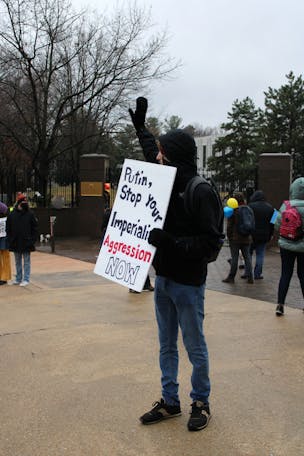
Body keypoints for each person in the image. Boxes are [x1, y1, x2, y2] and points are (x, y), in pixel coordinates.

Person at [129, 97, 223, 431]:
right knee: (166, 346)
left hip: (188, 284)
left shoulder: (200, 191)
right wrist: (141, 127)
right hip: (164, 280)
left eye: (162, 153)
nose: (157, 157)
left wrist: (173, 243)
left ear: (175, 158)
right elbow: (147, 152)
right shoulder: (162, 178)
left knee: (194, 347)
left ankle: (201, 402)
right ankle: (171, 401)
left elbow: (212, 245)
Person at [274, 177, 304, 316]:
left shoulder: (285, 205)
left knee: (285, 273)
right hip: (303, 247)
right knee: (302, 275)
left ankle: (280, 305)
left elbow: (277, 225)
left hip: (286, 245)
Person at [6, 194, 38, 286]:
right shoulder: (12, 214)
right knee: (17, 261)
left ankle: (26, 279)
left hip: (27, 241)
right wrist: (10, 239)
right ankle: (18, 278)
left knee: (26, 261)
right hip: (15, 241)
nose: (24, 204)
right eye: (22, 202)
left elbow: (35, 228)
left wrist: (32, 240)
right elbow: (8, 228)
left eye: (25, 202)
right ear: (18, 204)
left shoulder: (30, 214)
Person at [222, 192, 254, 284]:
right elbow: (252, 223)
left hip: (235, 239)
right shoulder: (249, 209)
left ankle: (231, 277)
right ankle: (250, 277)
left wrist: (229, 237)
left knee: (235, 258)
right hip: (246, 238)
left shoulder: (233, 211)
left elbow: (229, 227)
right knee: (247, 257)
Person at [244, 190, 274, 280]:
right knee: (260, 254)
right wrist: (271, 234)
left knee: (248, 253)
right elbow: (273, 223)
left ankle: (247, 272)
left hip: (251, 234)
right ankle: (257, 274)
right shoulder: (270, 208)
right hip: (265, 235)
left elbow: (246, 221)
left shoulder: (250, 206)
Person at [0, 201, 12, 285]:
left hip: (5, 238)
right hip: (5, 238)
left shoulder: (7, 219)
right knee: (6, 258)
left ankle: (4, 277)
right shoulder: (7, 218)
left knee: (6, 258)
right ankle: (4, 277)